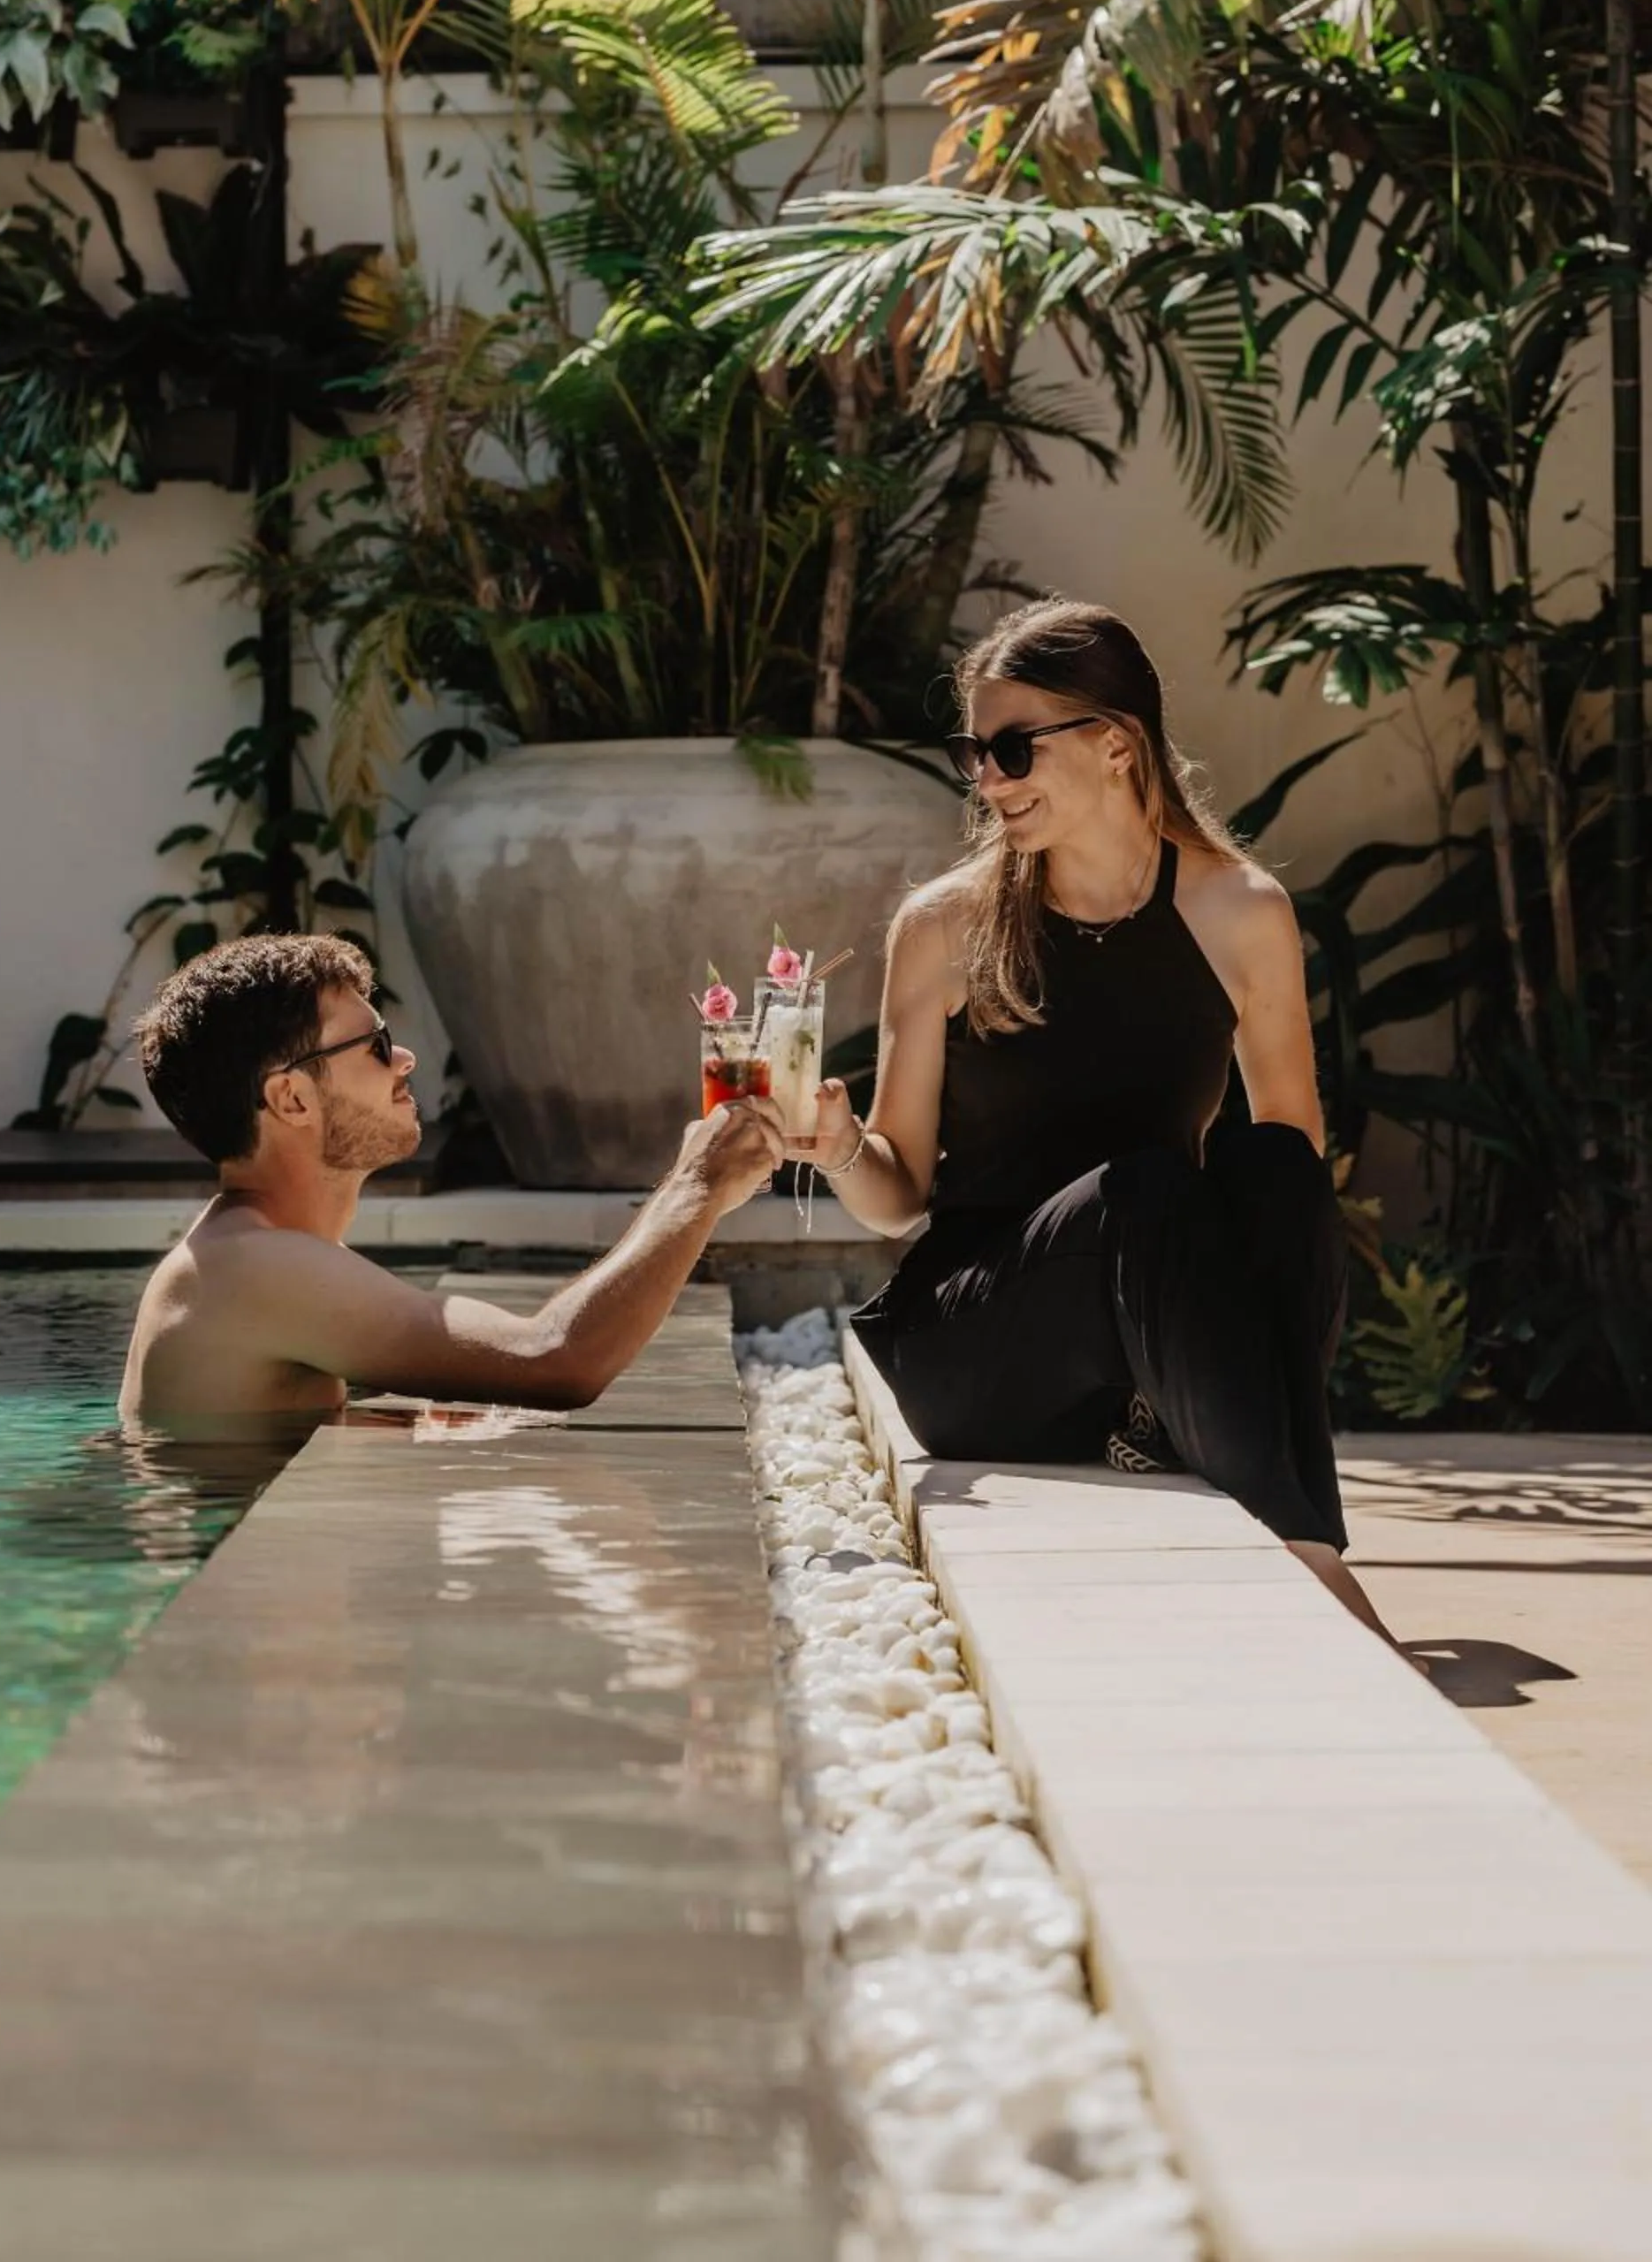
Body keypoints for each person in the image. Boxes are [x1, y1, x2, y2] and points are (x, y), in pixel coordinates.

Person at [808, 595, 1402, 1652]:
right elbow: (897, 1196)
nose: (986, 780)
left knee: (1276, 1166)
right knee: (1144, 1187)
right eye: (972, 753)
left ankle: (1234, 1472)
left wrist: (1215, 1321)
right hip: (977, 1344)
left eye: (1009, 748)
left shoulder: (1241, 911)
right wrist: (837, 1145)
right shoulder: (945, 925)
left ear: (1118, 746)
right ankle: (1309, 1557)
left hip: (1148, 1329)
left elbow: (1289, 1179)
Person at [120, 933, 783, 1440]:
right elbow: (556, 1360)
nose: (404, 1059)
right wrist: (698, 1184)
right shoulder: (256, 1266)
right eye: (376, 1046)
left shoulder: (247, 1255)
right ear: (292, 1098)